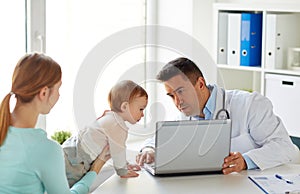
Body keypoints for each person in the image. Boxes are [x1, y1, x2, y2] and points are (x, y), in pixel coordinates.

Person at [136, 57, 300, 175]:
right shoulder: (185, 114)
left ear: (200, 84)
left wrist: (246, 161)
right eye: (171, 96)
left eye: (180, 91)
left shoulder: (250, 104)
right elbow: (162, 137)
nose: (177, 102)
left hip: (266, 181)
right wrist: (150, 149)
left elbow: (284, 147)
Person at [0, 53, 110, 194]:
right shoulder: (46, 149)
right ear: (44, 93)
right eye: (58, 88)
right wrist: (95, 170)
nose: (59, 95)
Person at [63, 80, 148, 186]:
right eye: (141, 109)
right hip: (76, 161)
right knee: (69, 187)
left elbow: (116, 150)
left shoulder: (109, 117)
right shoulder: (118, 125)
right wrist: (123, 171)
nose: (143, 114)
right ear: (124, 107)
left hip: (70, 149)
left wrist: (126, 165)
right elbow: (118, 151)